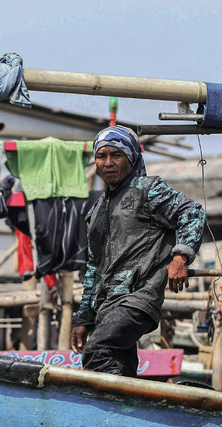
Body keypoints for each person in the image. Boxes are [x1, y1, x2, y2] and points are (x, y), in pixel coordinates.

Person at [70, 126, 206, 377]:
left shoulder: (147, 190)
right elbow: (93, 268)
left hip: (137, 299)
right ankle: (127, 413)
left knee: (98, 351)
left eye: (116, 155)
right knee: (120, 368)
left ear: (131, 157)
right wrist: (83, 318)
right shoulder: (97, 210)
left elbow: (192, 212)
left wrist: (181, 256)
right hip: (106, 305)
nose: (108, 163)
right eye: (102, 156)